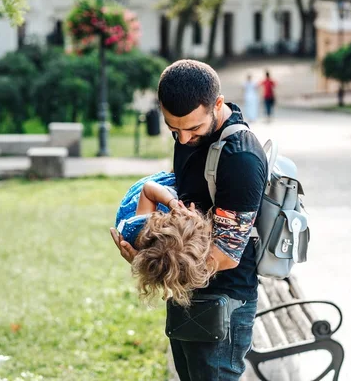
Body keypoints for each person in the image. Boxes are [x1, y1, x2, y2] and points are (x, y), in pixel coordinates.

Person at [110, 59, 268, 380]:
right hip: (188, 290)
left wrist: (151, 264)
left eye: (193, 129)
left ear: (217, 105)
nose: (182, 140)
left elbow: (224, 255)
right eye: (173, 129)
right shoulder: (188, 132)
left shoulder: (241, 158)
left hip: (223, 303)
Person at [112, 171, 216, 307]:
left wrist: (173, 204)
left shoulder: (142, 225)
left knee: (176, 179)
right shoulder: (161, 263)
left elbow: (148, 189)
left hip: (138, 199)